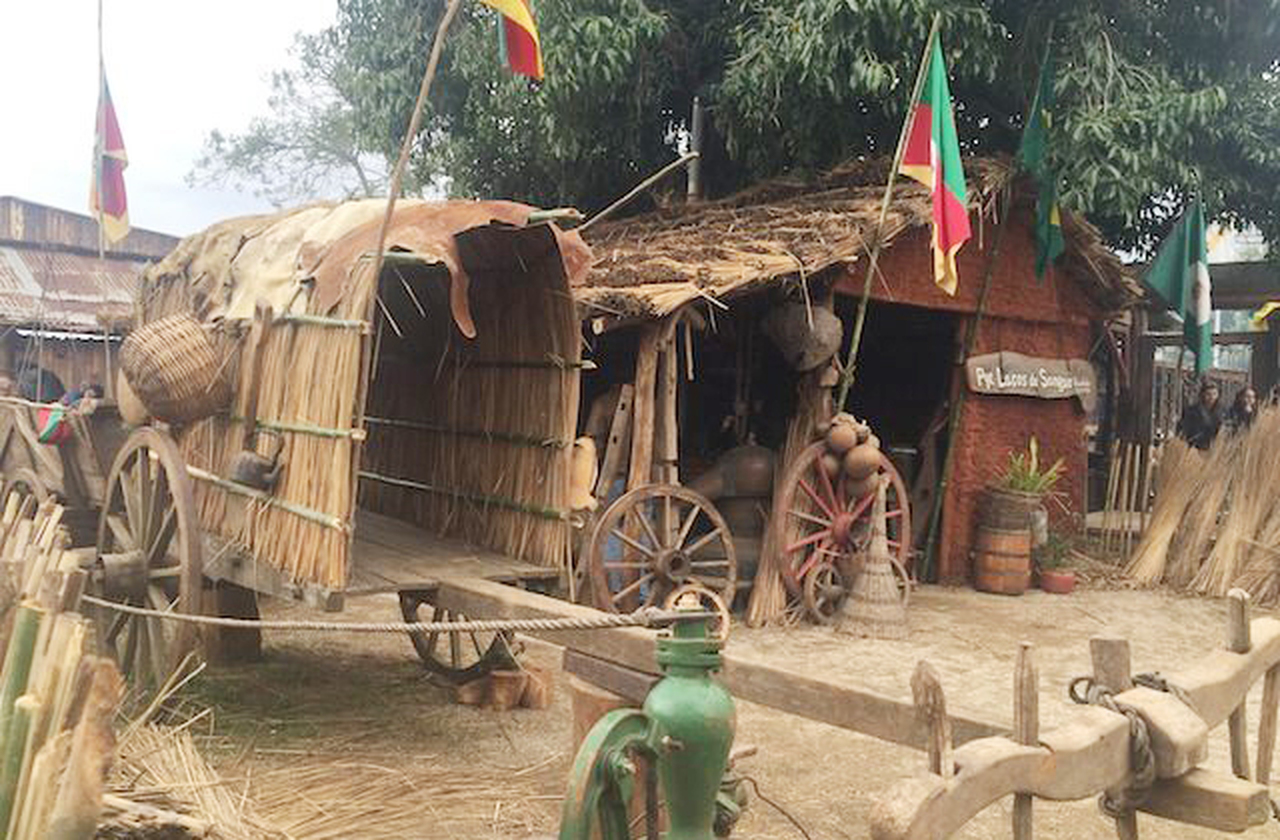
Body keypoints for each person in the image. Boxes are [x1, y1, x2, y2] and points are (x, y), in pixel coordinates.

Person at [1177, 380, 1222, 450]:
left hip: (1215, 448)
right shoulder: (1192, 411)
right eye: (1208, 394)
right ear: (1202, 395)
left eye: (1214, 394)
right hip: (1196, 448)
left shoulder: (1222, 412)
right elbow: (1183, 430)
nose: (1211, 397)